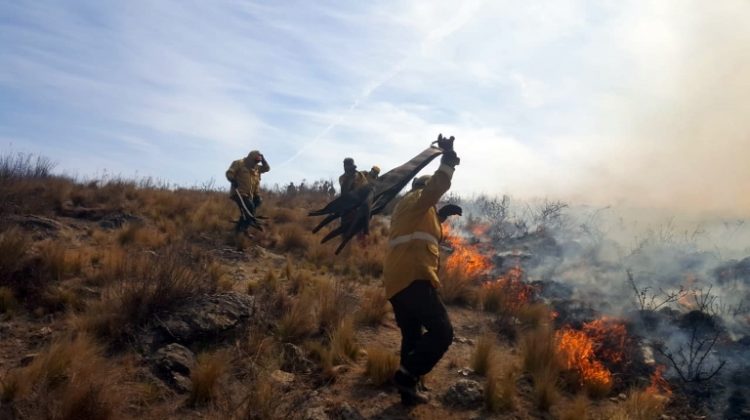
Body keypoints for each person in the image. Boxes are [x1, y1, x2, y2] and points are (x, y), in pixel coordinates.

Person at [383, 143, 462, 406]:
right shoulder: (417, 199)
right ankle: (406, 378)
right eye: (434, 199)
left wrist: (441, 216)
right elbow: (434, 188)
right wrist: (448, 162)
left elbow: (422, 230)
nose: (435, 200)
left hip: (398, 281)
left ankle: (408, 392)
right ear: (422, 188)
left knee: (413, 336)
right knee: (442, 332)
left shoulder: (412, 209)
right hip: (413, 278)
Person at [226, 150, 270, 232]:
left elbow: (267, 168)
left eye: (258, 161)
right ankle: (240, 232)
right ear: (251, 158)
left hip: (251, 195)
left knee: (256, 203)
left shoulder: (256, 168)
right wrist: (232, 180)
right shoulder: (238, 163)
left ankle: (241, 228)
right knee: (249, 208)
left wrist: (263, 159)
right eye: (256, 160)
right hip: (239, 193)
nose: (256, 163)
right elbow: (229, 173)